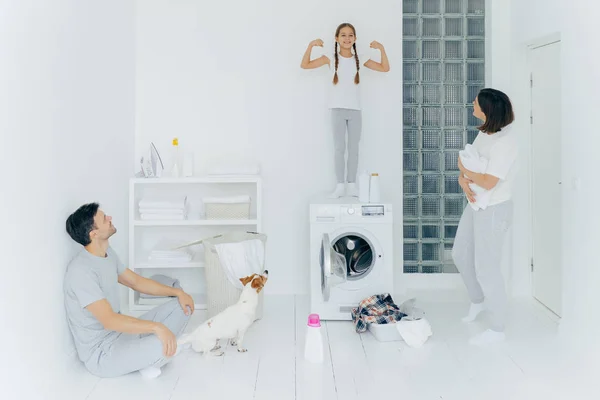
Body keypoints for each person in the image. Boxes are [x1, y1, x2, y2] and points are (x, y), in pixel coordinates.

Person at [63, 202, 194, 379]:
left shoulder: (107, 253)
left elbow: (136, 282)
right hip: (102, 353)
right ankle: (153, 355)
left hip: (122, 334)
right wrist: (157, 327)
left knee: (182, 306)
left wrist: (179, 293)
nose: (109, 218)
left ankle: (150, 356)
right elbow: (109, 321)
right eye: (104, 218)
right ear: (93, 233)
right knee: (160, 344)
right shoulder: (81, 271)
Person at [452, 88, 518, 346]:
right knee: (460, 253)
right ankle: (478, 301)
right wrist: (462, 177)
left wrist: (464, 170)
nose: (472, 104)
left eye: (476, 103)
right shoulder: (485, 133)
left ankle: (498, 328)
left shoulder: (506, 143)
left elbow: (489, 181)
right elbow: (470, 164)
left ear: (487, 110)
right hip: (476, 203)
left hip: (494, 209)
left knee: (487, 267)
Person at [300, 22, 390, 198]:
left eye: (350, 35)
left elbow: (385, 68)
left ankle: (351, 185)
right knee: (339, 148)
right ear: (336, 38)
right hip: (337, 110)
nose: (347, 38)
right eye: (343, 35)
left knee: (354, 149)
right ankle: (340, 186)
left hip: (355, 110)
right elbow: (305, 65)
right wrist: (311, 45)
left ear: (355, 38)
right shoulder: (330, 58)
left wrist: (381, 48)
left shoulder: (361, 58)